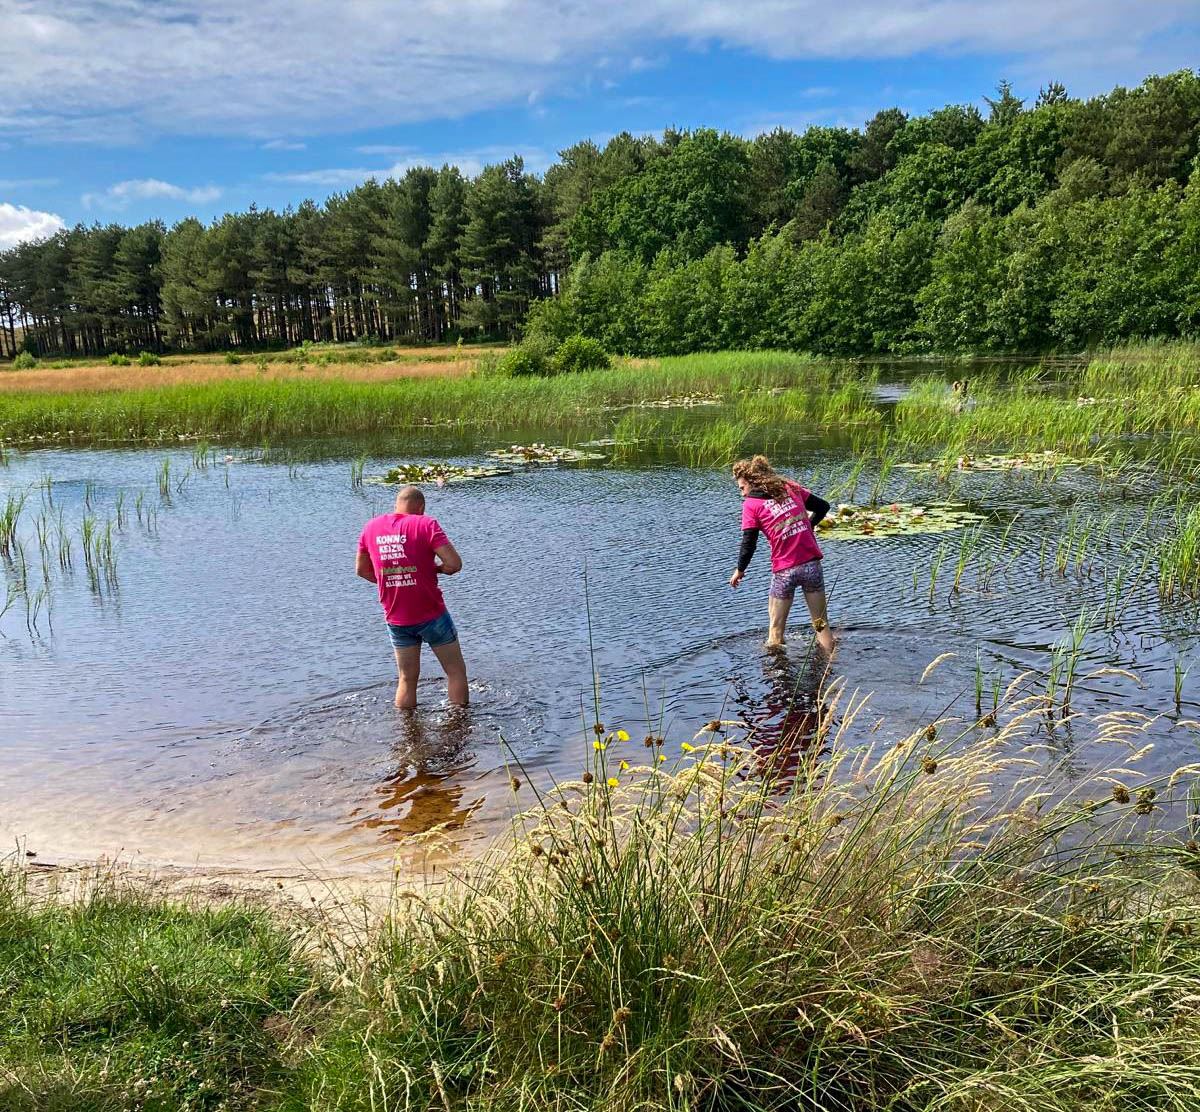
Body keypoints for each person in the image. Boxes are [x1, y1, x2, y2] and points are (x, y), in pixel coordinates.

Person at [356, 485, 469, 708]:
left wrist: (395, 579)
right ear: (421, 507)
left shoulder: (371, 527)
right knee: (455, 671)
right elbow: (454, 564)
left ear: (396, 505)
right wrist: (436, 570)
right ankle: (459, 726)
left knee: (407, 679)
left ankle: (407, 733)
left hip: (396, 617)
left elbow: (362, 570)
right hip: (431, 614)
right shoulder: (426, 524)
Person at [728, 455, 834, 653]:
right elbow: (823, 506)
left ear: (752, 482)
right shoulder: (790, 487)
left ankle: (778, 678)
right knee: (820, 623)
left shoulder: (751, 505)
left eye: (742, 488)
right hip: (811, 566)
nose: (742, 494)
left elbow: (749, 542)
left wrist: (739, 570)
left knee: (775, 631)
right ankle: (831, 665)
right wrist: (807, 527)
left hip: (785, 572)